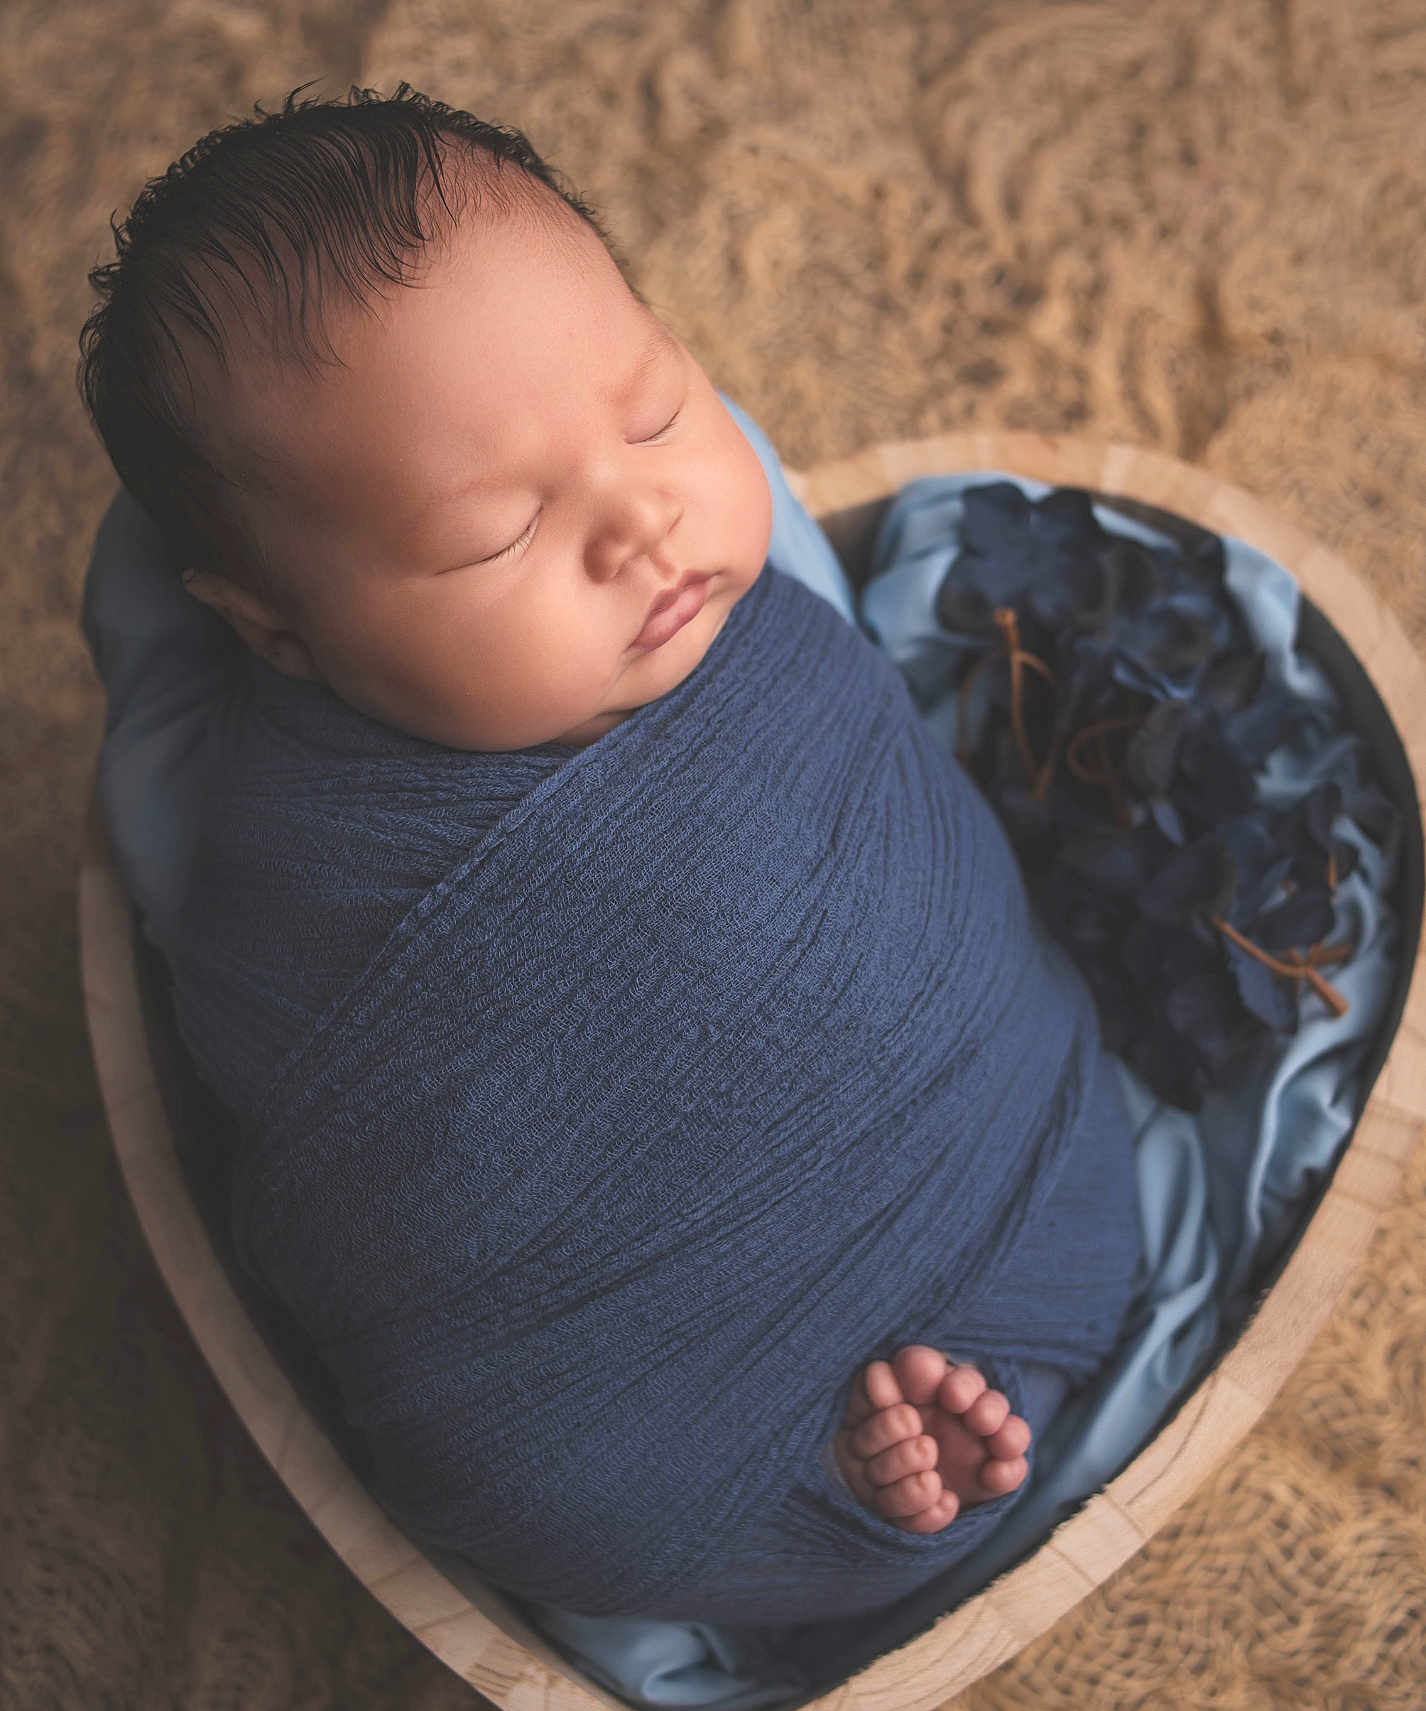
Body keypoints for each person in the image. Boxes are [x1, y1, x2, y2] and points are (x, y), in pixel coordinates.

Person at [76, 82, 1143, 1623]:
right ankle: (842, 1479)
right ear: (276, 633)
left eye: (652, 411)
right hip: (617, 1427)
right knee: (577, 1502)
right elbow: (149, 674)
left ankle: (896, 1435)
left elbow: (913, 826)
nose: (643, 521)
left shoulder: (745, 592)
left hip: (999, 1173)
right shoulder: (258, 833)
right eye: (493, 538)